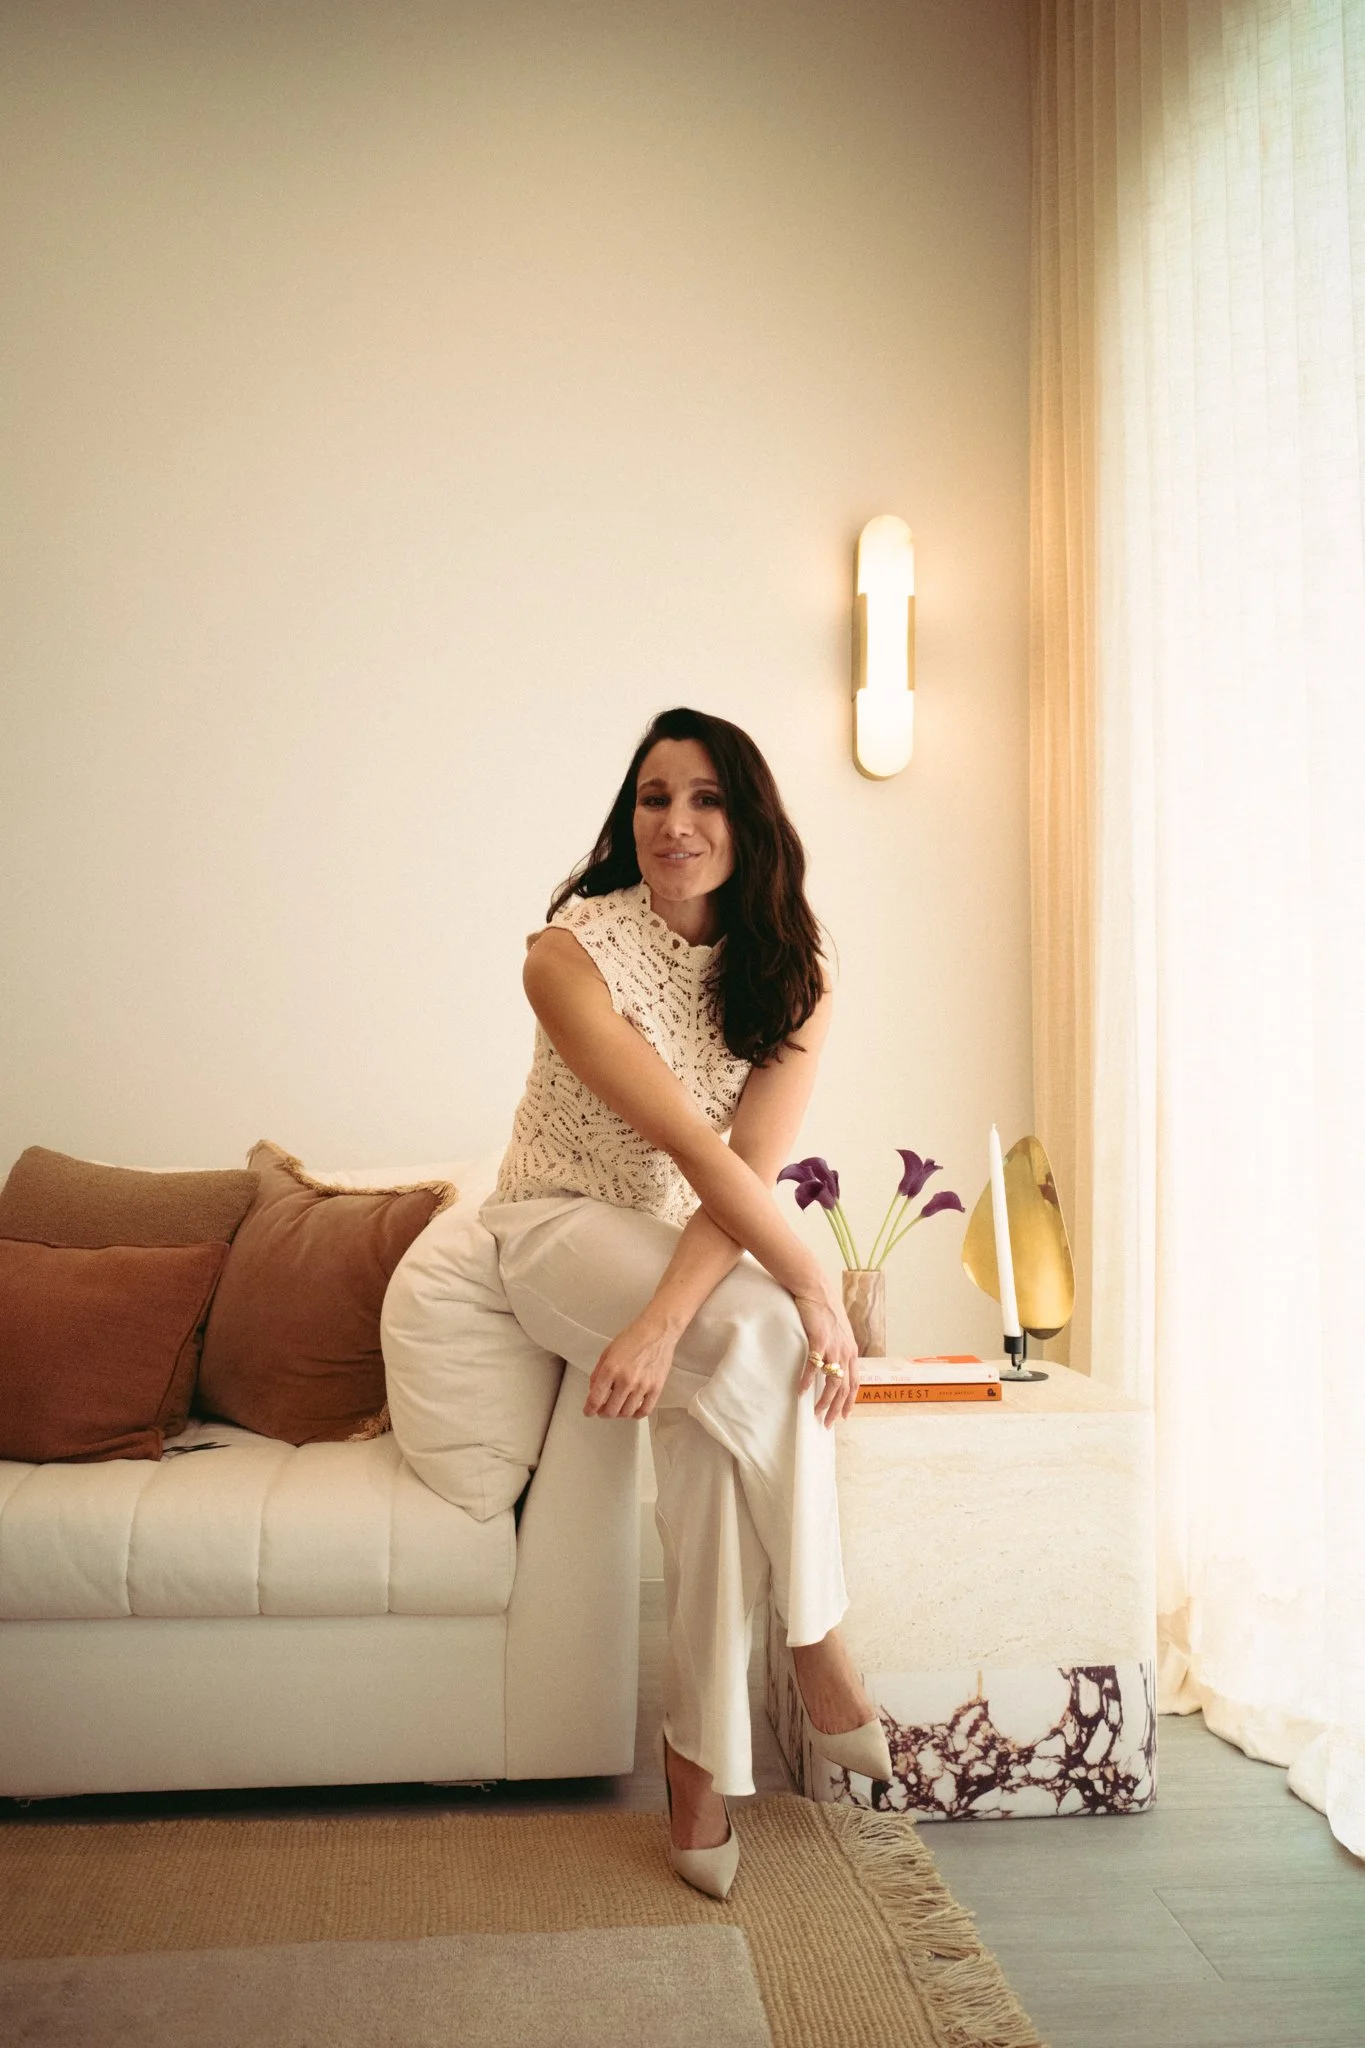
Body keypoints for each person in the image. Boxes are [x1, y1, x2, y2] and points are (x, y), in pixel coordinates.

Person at [480, 705, 893, 1901]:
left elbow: (744, 1170)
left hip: (678, 1242)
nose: (676, 821)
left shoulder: (795, 975)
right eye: (655, 797)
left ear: (749, 820)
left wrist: (674, 1311)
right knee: (770, 1328)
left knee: (716, 1430)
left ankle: (696, 1766)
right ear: (630, 818)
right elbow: (692, 1146)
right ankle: (820, 1640)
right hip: (555, 1224)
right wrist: (806, 1283)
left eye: (706, 797)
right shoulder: (566, 955)